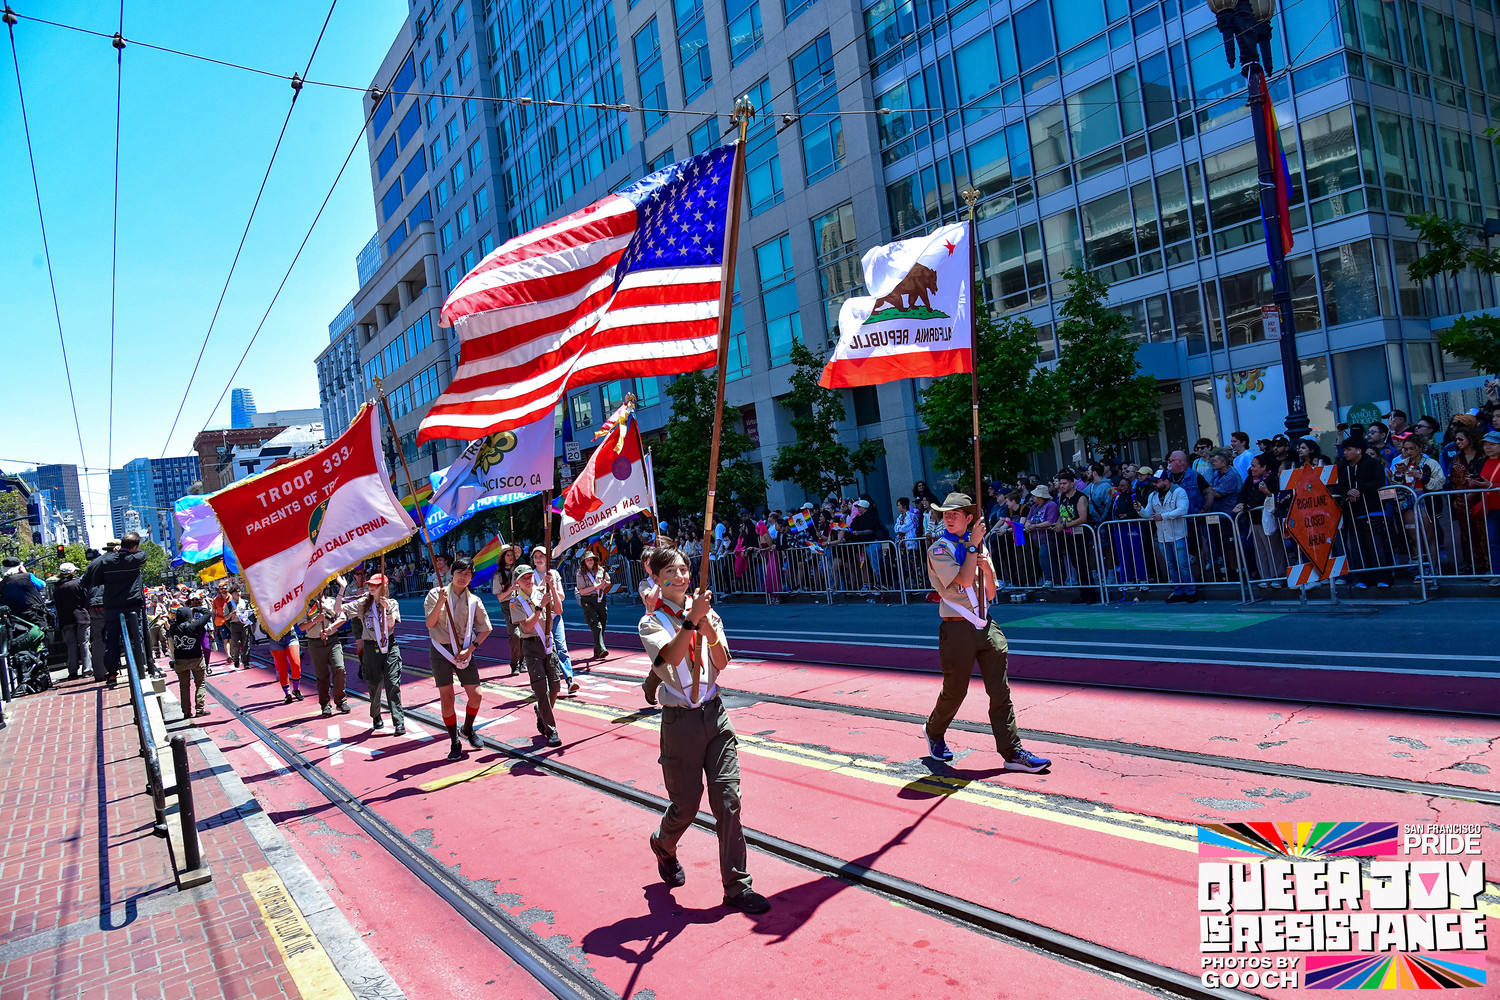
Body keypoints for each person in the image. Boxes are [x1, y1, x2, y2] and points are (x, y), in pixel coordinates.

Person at [638, 544, 769, 914]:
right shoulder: (651, 622)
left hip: (715, 716)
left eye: (683, 569)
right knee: (685, 806)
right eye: (670, 572)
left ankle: (737, 886)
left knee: (728, 801)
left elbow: (722, 662)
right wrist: (690, 622)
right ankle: (663, 844)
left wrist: (708, 627)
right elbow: (670, 658)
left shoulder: (706, 611)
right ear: (656, 579)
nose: (680, 576)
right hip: (680, 722)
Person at [920, 493, 1051, 773]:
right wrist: (972, 547)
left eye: (955, 514)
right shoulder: (939, 550)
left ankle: (1012, 752)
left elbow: (990, 592)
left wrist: (986, 568)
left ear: (969, 518)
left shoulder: (978, 546)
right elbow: (965, 580)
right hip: (957, 628)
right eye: (946, 514)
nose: (948, 518)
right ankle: (934, 730)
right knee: (955, 691)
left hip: (986, 624)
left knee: (1000, 692)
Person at [426, 556, 494, 761]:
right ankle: (454, 741)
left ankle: (468, 728)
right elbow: (430, 623)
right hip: (441, 651)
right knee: (447, 698)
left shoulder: (474, 601)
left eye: (467, 574)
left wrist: (471, 649)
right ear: (451, 574)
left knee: (476, 695)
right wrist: (441, 602)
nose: (463, 577)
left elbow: (486, 629)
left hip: (464, 651)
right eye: (459, 573)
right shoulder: (435, 594)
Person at [83, 531, 153, 687]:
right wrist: (125, 551)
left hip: (112, 605)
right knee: (136, 637)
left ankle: (112, 673)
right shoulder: (135, 559)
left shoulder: (106, 561)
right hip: (132, 605)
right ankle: (140, 667)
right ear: (135, 547)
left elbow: (96, 581)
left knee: (112, 641)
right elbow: (143, 554)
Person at [343, 573, 405, 735]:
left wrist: (387, 609)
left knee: (393, 683)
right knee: (375, 684)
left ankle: (398, 721)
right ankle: (376, 715)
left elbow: (391, 625)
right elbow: (339, 609)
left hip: (389, 645)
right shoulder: (363, 603)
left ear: (383, 588)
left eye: (375, 585)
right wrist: (342, 589)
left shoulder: (392, 603)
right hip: (371, 647)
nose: (371, 587)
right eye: (370, 584)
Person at [510, 564, 563, 747]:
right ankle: (551, 730)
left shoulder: (542, 592)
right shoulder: (516, 601)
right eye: (523, 578)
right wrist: (540, 607)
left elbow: (558, 610)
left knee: (555, 686)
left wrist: (552, 589)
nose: (528, 580)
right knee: (541, 689)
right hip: (531, 645)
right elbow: (526, 626)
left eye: (530, 576)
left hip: (548, 642)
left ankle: (541, 713)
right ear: (517, 581)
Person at [1334, 435, 1394, 588]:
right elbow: (1336, 485)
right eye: (1344, 450)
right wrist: (1347, 491)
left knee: (1376, 544)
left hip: (1373, 509)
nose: (1345, 453)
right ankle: (1363, 577)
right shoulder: (1343, 467)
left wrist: (1359, 490)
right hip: (1353, 513)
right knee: (1358, 546)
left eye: (1348, 449)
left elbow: (1378, 482)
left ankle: (1383, 576)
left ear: (1359, 450)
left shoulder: (1372, 463)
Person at [1141, 469, 1195, 603]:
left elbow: (1182, 509)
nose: (1154, 485)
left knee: (1183, 564)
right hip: (1163, 536)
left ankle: (1190, 591)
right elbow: (1147, 514)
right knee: (1171, 565)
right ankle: (1178, 591)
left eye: (1157, 482)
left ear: (1166, 481)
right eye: (1153, 482)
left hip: (1178, 534)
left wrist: (1163, 516)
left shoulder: (1179, 491)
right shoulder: (1153, 495)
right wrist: (1139, 509)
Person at [300, 581, 351, 718]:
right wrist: (316, 620)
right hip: (315, 643)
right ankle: (325, 704)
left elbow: (342, 618)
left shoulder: (331, 602)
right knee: (322, 676)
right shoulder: (306, 605)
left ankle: (341, 701)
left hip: (333, 641)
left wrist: (330, 628)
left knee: (339, 668)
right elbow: (302, 627)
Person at [530, 545, 576, 690]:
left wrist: (552, 586)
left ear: (547, 558)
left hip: (554, 616)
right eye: (536, 557)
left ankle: (569, 679)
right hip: (540, 618)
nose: (539, 559)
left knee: (561, 646)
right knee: (544, 649)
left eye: (541, 556)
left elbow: (562, 596)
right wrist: (543, 584)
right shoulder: (531, 576)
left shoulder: (554, 574)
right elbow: (532, 597)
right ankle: (547, 681)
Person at [1052, 471, 1095, 604]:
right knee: (1076, 563)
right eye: (1060, 483)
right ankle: (1083, 593)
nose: (1062, 486)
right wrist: (1058, 523)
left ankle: (1091, 593)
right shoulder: (1062, 497)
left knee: (1083, 563)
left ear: (1072, 484)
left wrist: (1063, 525)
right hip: (1068, 534)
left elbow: (1083, 518)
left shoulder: (1080, 497)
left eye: (1065, 483)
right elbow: (1062, 514)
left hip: (1080, 533)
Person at [168, 595, 213, 721]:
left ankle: (186, 712)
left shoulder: (173, 628)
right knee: (200, 683)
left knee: (184, 686)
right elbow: (208, 613)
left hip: (180, 661)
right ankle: (199, 709)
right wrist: (196, 608)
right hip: (196, 659)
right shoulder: (194, 626)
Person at [491, 545, 527, 675]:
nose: (510, 557)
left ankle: (523, 662)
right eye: (507, 555)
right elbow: (500, 597)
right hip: (508, 605)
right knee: (515, 634)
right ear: (503, 558)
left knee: (525, 633)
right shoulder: (498, 575)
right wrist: (511, 589)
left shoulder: (519, 571)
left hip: (522, 603)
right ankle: (514, 663)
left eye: (512, 555)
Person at [53, 562, 90, 681]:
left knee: (71, 645)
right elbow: (86, 598)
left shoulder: (57, 587)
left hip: (66, 619)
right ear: (72, 572)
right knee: (84, 643)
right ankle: (87, 670)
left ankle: (72, 671)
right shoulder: (78, 583)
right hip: (81, 617)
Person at [1472, 431, 1500, 586]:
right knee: (1494, 542)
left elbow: (1490, 484)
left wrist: (1490, 485)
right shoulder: (1485, 461)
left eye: (1492, 444)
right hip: (1491, 507)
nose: (1487, 447)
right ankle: (1497, 572)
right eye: (1486, 444)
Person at [575, 549, 612, 658]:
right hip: (588, 600)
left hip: (600, 599)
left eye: (591, 559)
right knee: (596, 624)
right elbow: (582, 591)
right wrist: (596, 587)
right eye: (588, 560)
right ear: (584, 562)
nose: (590, 561)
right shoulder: (580, 574)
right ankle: (602, 649)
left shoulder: (600, 570)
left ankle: (597, 649)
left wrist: (605, 583)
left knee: (602, 623)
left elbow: (608, 582)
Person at [260, 613, 303, 703]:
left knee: (296, 664)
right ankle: (287, 694)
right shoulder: (265, 608)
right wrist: (265, 626)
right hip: (275, 639)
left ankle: (296, 689)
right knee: (282, 668)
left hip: (290, 635)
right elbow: (262, 629)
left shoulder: (287, 605)